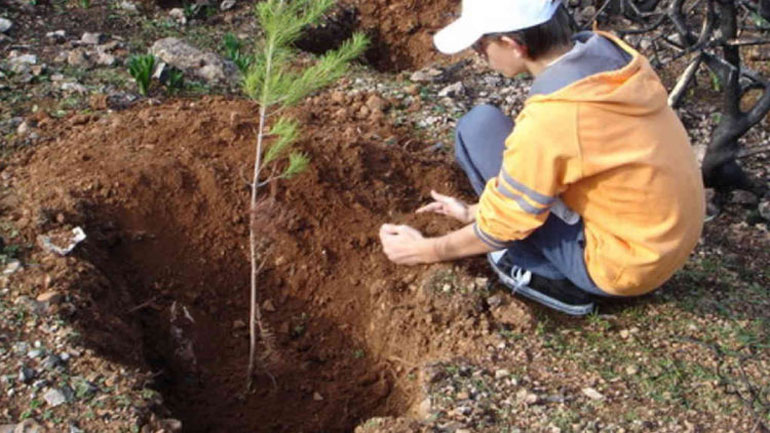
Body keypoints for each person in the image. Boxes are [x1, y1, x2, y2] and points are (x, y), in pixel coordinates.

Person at [378, 0, 705, 315]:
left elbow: (504, 227)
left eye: (480, 46)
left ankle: (558, 282)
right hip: (661, 244)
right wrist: (472, 212)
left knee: (476, 131)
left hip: (620, 267)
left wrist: (428, 250)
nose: (479, 56)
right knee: (484, 126)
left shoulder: (556, 118)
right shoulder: (610, 57)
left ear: (512, 44)